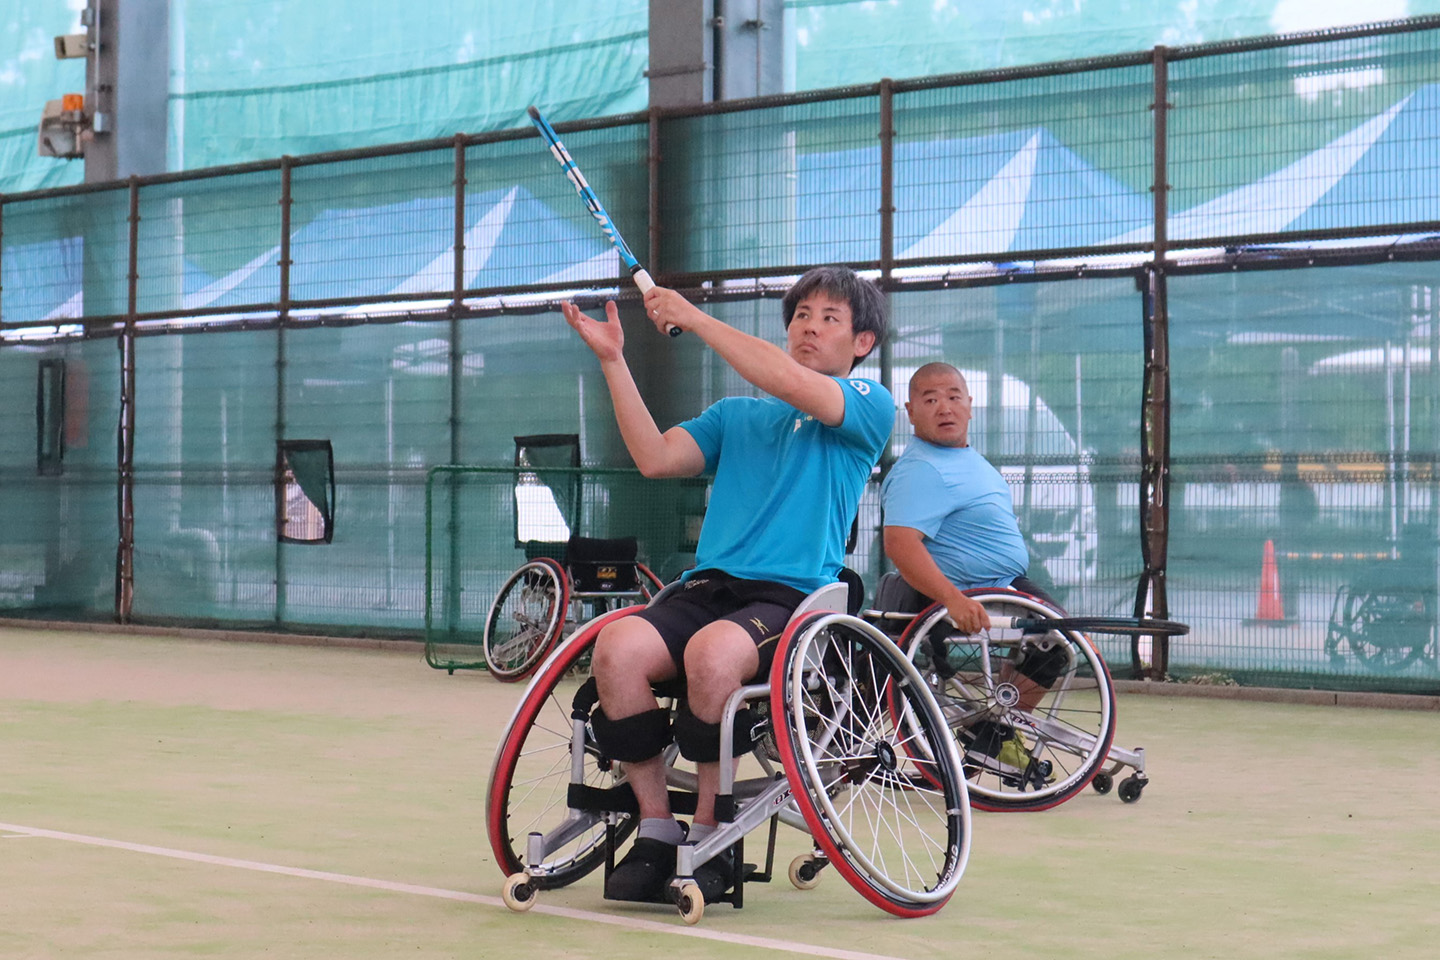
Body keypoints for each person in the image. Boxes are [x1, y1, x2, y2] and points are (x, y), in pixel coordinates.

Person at [560, 266, 892, 904]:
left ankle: (714, 833)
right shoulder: (735, 415)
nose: (810, 327)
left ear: (862, 343)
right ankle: (656, 829)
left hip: (791, 598)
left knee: (713, 654)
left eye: (830, 318)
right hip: (708, 587)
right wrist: (614, 362)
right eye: (801, 316)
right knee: (617, 649)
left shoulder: (868, 407)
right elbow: (655, 458)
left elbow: (789, 382)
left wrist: (696, 317)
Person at [879, 361, 1061, 772]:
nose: (944, 407)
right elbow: (901, 545)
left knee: (1067, 639)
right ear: (910, 412)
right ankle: (993, 740)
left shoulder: (966, 460)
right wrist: (953, 599)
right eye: (930, 399)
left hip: (1003, 585)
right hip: (973, 594)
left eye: (953, 397)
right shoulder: (922, 469)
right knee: (1060, 641)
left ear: (970, 406)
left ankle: (992, 735)